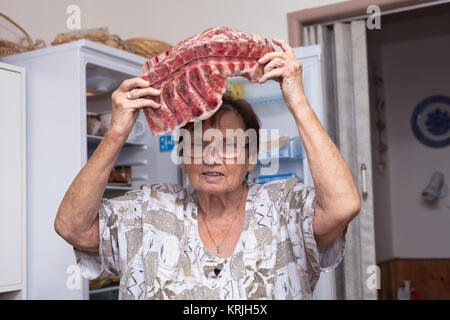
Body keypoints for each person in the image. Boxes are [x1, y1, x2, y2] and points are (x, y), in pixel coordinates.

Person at [55, 38, 361, 299]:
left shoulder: (283, 206)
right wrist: (116, 133)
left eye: (228, 145)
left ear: (250, 158)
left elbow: (343, 205)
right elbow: (72, 227)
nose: (211, 157)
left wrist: (298, 101)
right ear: (184, 156)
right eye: (199, 144)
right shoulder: (149, 210)